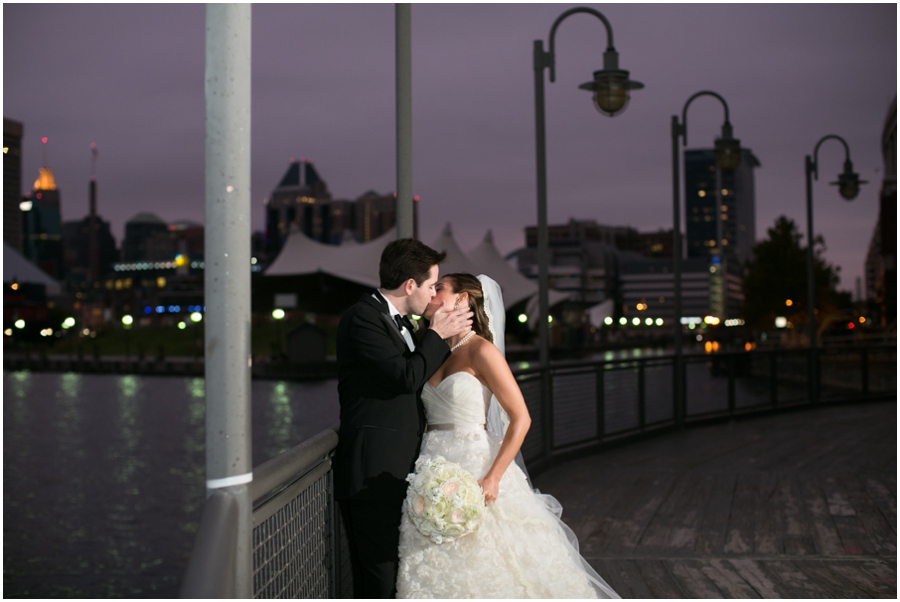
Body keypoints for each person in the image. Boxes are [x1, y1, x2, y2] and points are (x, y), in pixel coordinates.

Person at [396, 273, 620, 599]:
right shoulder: (432, 352)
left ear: (461, 300)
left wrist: (493, 478)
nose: (430, 294)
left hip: (477, 466)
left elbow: (521, 418)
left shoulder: (481, 351)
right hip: (432, 466)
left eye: (439, 288)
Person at [333, 238, 474, 599]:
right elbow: (404, 377)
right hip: (372, 472)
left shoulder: (406, 326)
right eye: (431, 286)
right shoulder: (362, 318)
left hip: (402, 470)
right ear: (410, 285)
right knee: (377, 577)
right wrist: (437, 334)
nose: (432, 295)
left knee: (397, 574)